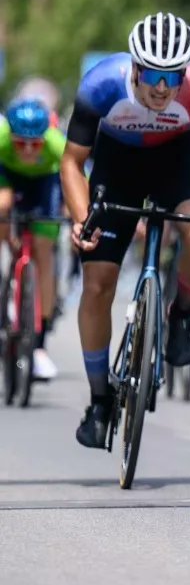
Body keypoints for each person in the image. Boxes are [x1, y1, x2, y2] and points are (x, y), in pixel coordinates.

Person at [60, 12, 190, 448]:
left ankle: (182, 315)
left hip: (178, 162)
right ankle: (100, 400)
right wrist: (81, 218)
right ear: (135, 68)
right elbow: (72, 162)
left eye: (173, 76)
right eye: (153, 75)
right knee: (97, 284)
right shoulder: (101, 84)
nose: (162, 88)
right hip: (117, 166)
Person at [0, 98, 66, 380]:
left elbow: (78, 173)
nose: (28, 149)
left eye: (35, 144)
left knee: (43, 250)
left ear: (44, 139)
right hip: (8, 176)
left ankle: (39, 343)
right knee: (2, 206)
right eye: (20, 143)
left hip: (45, 183)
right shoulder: (1, 139)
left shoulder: (56, 143)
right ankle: (10, 260)